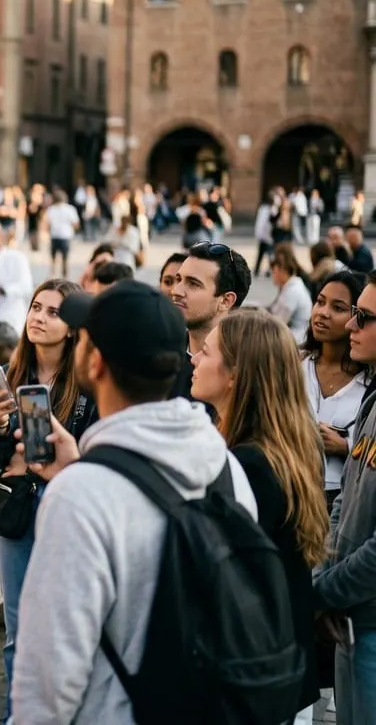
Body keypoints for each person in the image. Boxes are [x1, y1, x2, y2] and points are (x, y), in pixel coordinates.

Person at [10, 280, 258, 722]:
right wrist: (80, 468)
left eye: (84, 336)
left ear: (97, 362)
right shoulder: (225, 467)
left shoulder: (82, 496)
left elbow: (49, 672)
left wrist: (78, 480)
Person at [192, 310, 330, 723]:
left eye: (205, 351)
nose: (194, 360)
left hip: (251, 675)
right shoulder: (281, 449)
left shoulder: (249, 464)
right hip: (278, 666)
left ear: (236, 374)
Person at [0, 279, 98, 718]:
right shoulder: (14, 374)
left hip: (63, 507)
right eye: (35, 307)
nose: (39, 317)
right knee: (18, 629)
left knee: (61, 627)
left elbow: (93, 448)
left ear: (71, 327)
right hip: (17, 506)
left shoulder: (87, 380)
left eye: (53, 311)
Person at [315, 269, 376, 723]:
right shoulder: (374, 399)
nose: (351, 326)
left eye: (365, 317)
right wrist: (327, 578)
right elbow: (345, 503)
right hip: (351, 617)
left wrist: (325, 590)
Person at [302, 270, 368, 512]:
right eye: (320, 302)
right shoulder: (293, 366)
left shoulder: (369, 382)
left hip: (343, 498)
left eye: (337, 308)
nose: (322, 313)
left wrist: (345, 446)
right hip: (291, 486)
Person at [169, 241, 252, 401]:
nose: (176, 291)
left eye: (193, 284)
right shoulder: (160, 357)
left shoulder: (246, 372)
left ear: (226, 301)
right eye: (178, 279)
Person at [269, 243, 313, 342]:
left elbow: (278, 322)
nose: (273, 276)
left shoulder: (292, 291)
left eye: (274, 272)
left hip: (297, 338)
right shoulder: (291, 285)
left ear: (282, 270)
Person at [44, 189, 81, 278]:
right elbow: (76, 224)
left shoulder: (51, 209)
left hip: (54, 235)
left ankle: (53, 274)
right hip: (66, 235)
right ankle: (65, 275)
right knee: (65, 258)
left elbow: (47, 224)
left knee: (53, 258)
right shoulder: (70, 209)